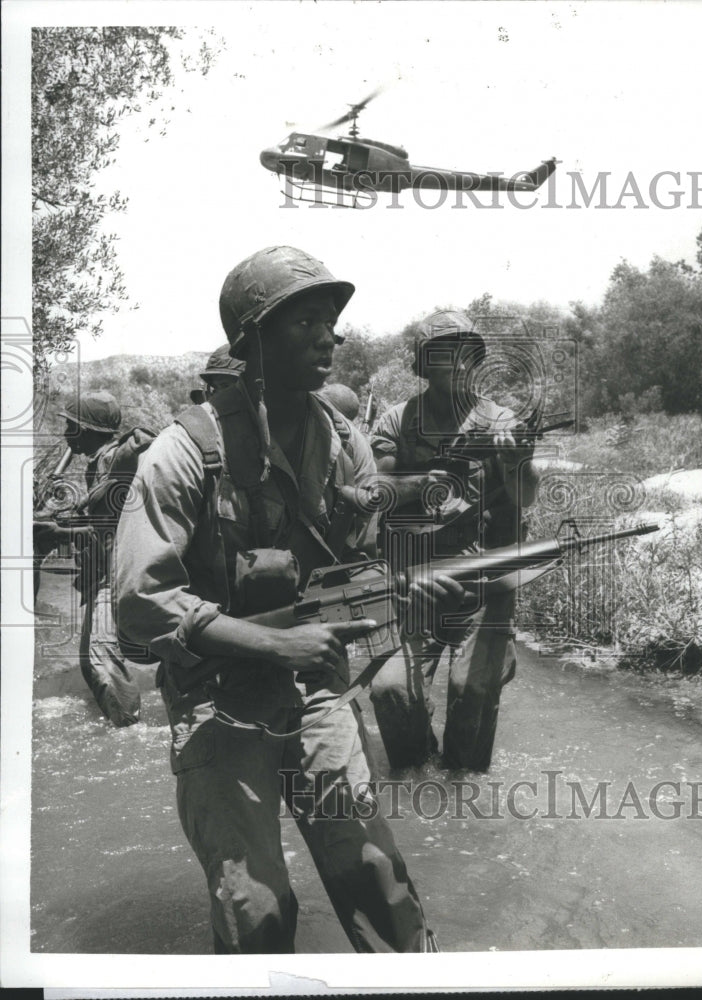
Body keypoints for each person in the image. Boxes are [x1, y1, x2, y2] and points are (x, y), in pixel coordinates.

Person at [115, 246, 462, 954]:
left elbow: (354, 571)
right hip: (216, 696)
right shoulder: (183, 456)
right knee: (258, 908)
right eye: (304, 320)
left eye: (330, 320)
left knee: (374, 876)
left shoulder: (344, 444)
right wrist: (274, 643)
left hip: (315, 688)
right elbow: (139, 603)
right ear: (251, 342)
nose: (327, 335)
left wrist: (404, 587)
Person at [370, 310, 538, 773]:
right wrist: (428, 482)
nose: (460, 365)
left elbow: (525, 496)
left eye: (467, 355)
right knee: (390, 691)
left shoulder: (500, 419)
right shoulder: (396, 422)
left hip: (482, 579)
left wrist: (518, 458)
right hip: (412, 582)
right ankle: (414, 776)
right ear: (425, 365)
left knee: (471, 692)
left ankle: (464, 791)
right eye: (446, 356)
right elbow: (375, 497)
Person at [35, 390, 141, 726]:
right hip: (102, 572)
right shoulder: (100, 465)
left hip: (114, 572)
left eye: (71, 426)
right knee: (89, 658)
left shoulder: (111, 464)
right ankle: (119, 722)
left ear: (87, 431)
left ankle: (129, 734)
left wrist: (58, 533)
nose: (66, 433)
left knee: (102, 658)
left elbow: (110, 534)